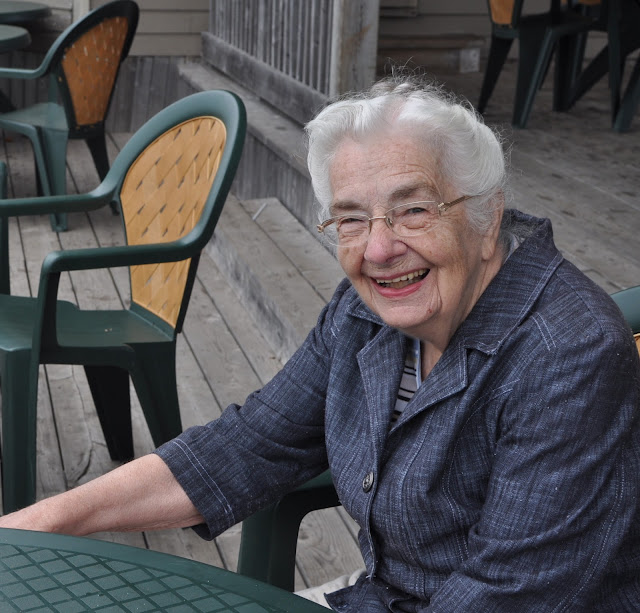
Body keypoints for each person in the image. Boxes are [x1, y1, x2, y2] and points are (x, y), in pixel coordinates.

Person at [1, 75, 639, 612]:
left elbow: (508, 596)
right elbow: (248, 444)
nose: (380, 249)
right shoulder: (367, 314)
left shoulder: (567, 353)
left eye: (413, 210)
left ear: (486, 215)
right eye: (352, 219)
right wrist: (37, 525)